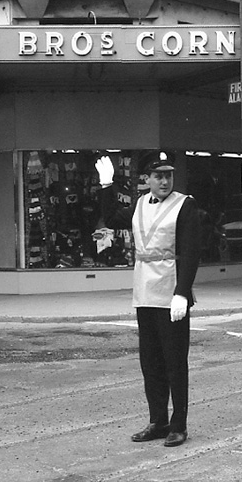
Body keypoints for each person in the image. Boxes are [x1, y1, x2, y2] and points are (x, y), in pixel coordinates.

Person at [96, 151, 201, 448]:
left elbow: (192, 251)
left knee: (174, 362)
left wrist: (182, 292)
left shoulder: (185, 205)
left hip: (170, 295)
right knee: (150, 362)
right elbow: (115, 217)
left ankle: (179, 424)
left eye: (168, 175)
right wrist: (107, 187)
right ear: (147, 179)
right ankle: (158, 421)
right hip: (144, 294)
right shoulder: (141, 203)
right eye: (158, 176)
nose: (164, 180)